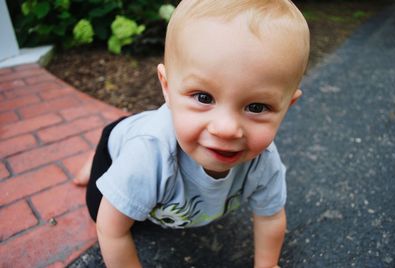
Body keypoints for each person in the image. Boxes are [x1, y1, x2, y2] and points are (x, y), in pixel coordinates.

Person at [74, 0, 310, 267]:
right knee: (101, 212)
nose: (226, 129)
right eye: (203, 97)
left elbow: (270, 216)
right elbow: (111, 230)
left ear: (287, 105)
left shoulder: (263, 159)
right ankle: (96, 159)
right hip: (118, 143)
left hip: (145, 138)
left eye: (256, 107)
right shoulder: (148, 155)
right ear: (166, 86)